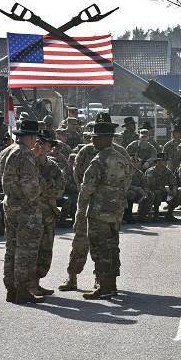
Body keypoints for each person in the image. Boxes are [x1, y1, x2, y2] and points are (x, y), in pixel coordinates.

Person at [59, 113, 129, 292]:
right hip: (86, 206)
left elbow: (127, 179)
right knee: (80, 241)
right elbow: (78, 176)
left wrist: (103, 194)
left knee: (106, 244)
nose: (94, 139)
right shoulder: (85, 151)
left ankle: (103, 281)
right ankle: (72, 276)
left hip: (104, 206)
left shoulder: (120, 152)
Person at [76, 120, 132, 299]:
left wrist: (82, 207)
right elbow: (128, 181)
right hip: (116, 211)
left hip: (99, 212)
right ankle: (112, 283)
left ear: (104, 139)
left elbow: (87, 188)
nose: (93, 142)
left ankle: (103, 286)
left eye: (96, 138)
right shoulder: (122, 158)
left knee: (100, 250)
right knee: (113, 247)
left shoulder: (98, 160)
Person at [0, 119, 44, 304]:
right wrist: (37, 201)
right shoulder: (25, 154)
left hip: (10, 203)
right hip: (26, 207)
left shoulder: (7, 151)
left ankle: (11, 288)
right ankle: (23, 289)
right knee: (26, 250)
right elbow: (28, 184)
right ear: (32, 136)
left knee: (12, 247)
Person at [33, 130, 65, 297]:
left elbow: (60, 188)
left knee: (46, 249)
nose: (44, 146)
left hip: (49, 213)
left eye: (47, 144)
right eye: (40, 142)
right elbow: (30, 186)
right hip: (32, 213)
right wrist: (47, 186)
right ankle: (28, 285)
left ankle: (37, 283)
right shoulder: (30, 163)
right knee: (31, 249)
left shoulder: (52, 165)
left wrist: (43, 185)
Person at [146, 153, 181, 222]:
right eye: (164, 160)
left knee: (180, 193)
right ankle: (156, 213)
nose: (166, 162)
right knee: (157, 193)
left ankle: (169, 213)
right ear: (158, 162)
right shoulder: (151, 171)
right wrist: (165, 189)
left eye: (166, 160)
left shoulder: (168, 171)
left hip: (167, 192)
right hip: (155, 191)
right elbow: (152, 185)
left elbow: (173, 182)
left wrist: (174, 189)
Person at [124, 154, 155, 224]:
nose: (135, 163)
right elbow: (124, 184)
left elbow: (145, 184)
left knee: (151, 195)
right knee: (131, 193)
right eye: (133, 162)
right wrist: (138, 189)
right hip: (125, 192)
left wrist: (145, 192)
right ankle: (127, 216)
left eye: (136, 162)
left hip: (137, 193)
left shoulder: (139, 173)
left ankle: (142, 216)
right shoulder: (125, 172)